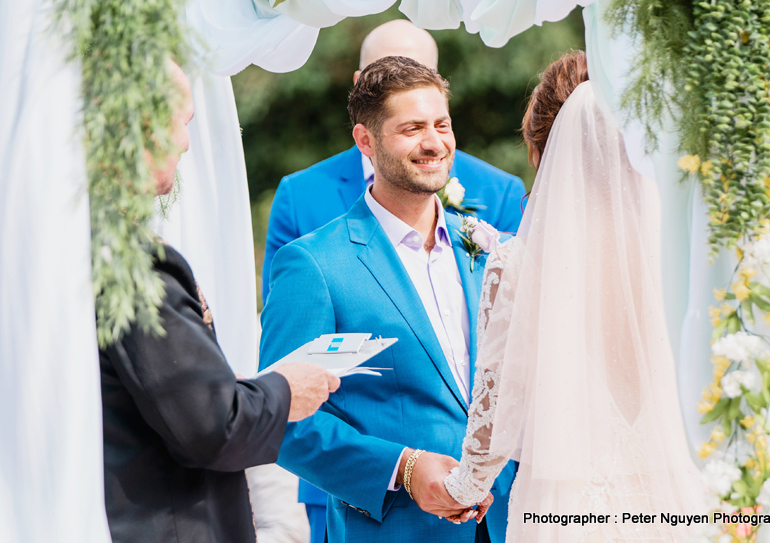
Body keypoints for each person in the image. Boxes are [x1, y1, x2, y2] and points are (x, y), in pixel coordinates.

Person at [442, 51, 705, 542]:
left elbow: (496, 409)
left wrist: (462, 486)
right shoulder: (681, 257)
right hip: (677, 497)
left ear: (544, 149)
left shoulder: (517, 264)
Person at [259, 56, 515, 543]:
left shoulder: (487, 250)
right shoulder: (314, 265)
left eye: (442, 124)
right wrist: (405, 469)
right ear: (365, 142)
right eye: (412, 128)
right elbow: (284, 423)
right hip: (396, 529)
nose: (434, 142)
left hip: (510, 521)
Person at [98, 60, 341, 543]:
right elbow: (211, 426)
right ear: (138, 124)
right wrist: (286, 389)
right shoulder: (135, 268)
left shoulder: (69, 247)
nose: (186, 143)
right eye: (180, 123)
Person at [260, 19, 527, 303]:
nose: (405, 86)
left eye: (418, 74)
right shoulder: (300, 195)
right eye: (385, 76)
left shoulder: (501, 192)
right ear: (358, 84)